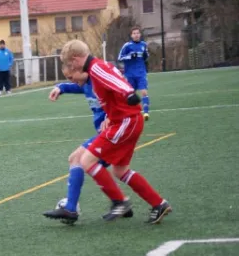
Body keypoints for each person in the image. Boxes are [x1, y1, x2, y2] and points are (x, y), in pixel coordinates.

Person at [60, 39, 171, 224]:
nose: (70, 67)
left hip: (126, 121)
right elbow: (114, 79)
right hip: (125, 121)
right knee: (120, 171)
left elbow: (118, 83)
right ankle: (159, 203)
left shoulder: (95, 67)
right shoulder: (96, 68)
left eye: (70, 64)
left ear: (75, 59)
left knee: (86, 160)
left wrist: (128, 93)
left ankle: (120, 201)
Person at [42, 65, 134, 224]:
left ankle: (71, 208)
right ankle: (123, 202)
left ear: (79, 69)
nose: (72, 81)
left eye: (71, 77)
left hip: (113, 133)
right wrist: (60, 87)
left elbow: (123, 92)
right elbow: (74, 87)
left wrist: (112, 117)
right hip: (107, 135)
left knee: (77, 158)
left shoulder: (99, 81)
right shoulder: (84, 84)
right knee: (107, 168)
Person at [118, 27, 150, 120]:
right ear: (131, 35)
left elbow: (146, 56)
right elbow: (120, 58)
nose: (136, 35)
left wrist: (146, 56)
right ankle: (130, 112)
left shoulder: (144, 45)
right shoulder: (127, 46)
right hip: (130, 74)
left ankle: (146, 112)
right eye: (134, 33)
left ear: (140, 34)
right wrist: (130, 56)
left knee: (144, 91)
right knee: (131, 94)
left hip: (141, 73)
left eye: (137, 33)